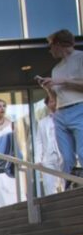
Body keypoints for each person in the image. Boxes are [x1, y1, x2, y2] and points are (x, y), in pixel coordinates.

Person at [38, 29, 83, 178]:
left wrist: (63, 81)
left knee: (82, 152)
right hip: (61, 112)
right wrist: (49, 89)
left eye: (50, 46)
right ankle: (69, 191)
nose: (49, 50)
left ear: (58, 44)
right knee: (66, 158)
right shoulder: (56, 69)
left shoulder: (80, 58)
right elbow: (54, 99)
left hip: (79, 107)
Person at [35, 94, 63, 195]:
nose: (54, 103)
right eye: (51, 101)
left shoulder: (65, 119)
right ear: (47, 104)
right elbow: (39, 141)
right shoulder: (42, 122)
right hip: (48, 158)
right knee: (49, 185)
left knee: (66, 184)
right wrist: (38, 159)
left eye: (55, 100)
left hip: (63, 156)